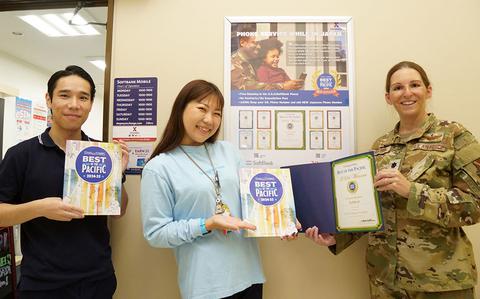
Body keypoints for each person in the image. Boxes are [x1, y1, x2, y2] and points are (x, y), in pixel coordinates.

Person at [305, 61, 480, 298]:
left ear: (428, 90)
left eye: (414, 85)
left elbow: (474, 205)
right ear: (388, 97)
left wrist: (412, 192)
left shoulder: (454, 135)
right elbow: (371, 210)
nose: (407, 93)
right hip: (385, 281)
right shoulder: (380, 147)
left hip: (441, 282)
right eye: (398, 88)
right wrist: (336, 236)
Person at [0, 65, 130, 298]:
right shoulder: (21, 154)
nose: (74, 104)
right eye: (64, 95)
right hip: (42, 283)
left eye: (83, 97)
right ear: (49, 99)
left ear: (91, 104)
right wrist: (40, 208)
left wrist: (117, 175)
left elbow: (118, 212)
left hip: (97, 279)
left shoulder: (101, 153)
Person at [141, 80, 265, 299]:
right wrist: (207, 224)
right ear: (181, 109)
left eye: (217, 113)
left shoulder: (228, 151)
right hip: (206, 286)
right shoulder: (159, 167)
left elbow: (253, 203)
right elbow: (155, 234)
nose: (210, 120)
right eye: (202, 109)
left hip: (250, 277)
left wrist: (281, 221)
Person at [231, 30, 303, 90]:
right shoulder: (233, 62)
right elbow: (247, 86)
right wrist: (282, 86)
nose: (259, 47)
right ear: (242, 42)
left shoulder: (252, 61)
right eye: (254, 43)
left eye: (259, 44)